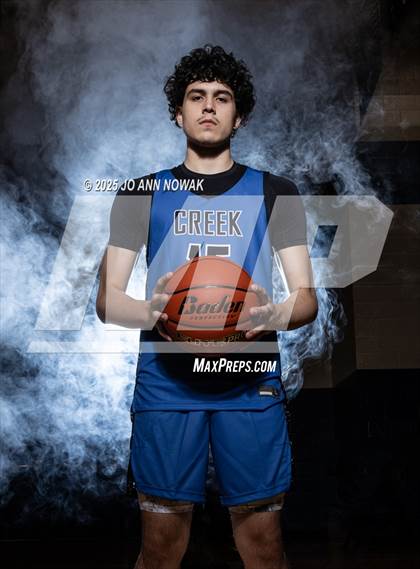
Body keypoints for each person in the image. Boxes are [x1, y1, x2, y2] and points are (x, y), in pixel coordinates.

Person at [96, 44, 318, 569]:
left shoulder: (276, 192)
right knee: (161, 549)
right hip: (167, 384)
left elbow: (306, 298)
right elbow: (107, 300)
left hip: (249, 380)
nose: (209, 106)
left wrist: (273, 315)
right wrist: (150, 312)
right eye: (196, 96)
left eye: (222, 97)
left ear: (239, 117)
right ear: (179, 113)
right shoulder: (139, 193)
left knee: (263, 548)